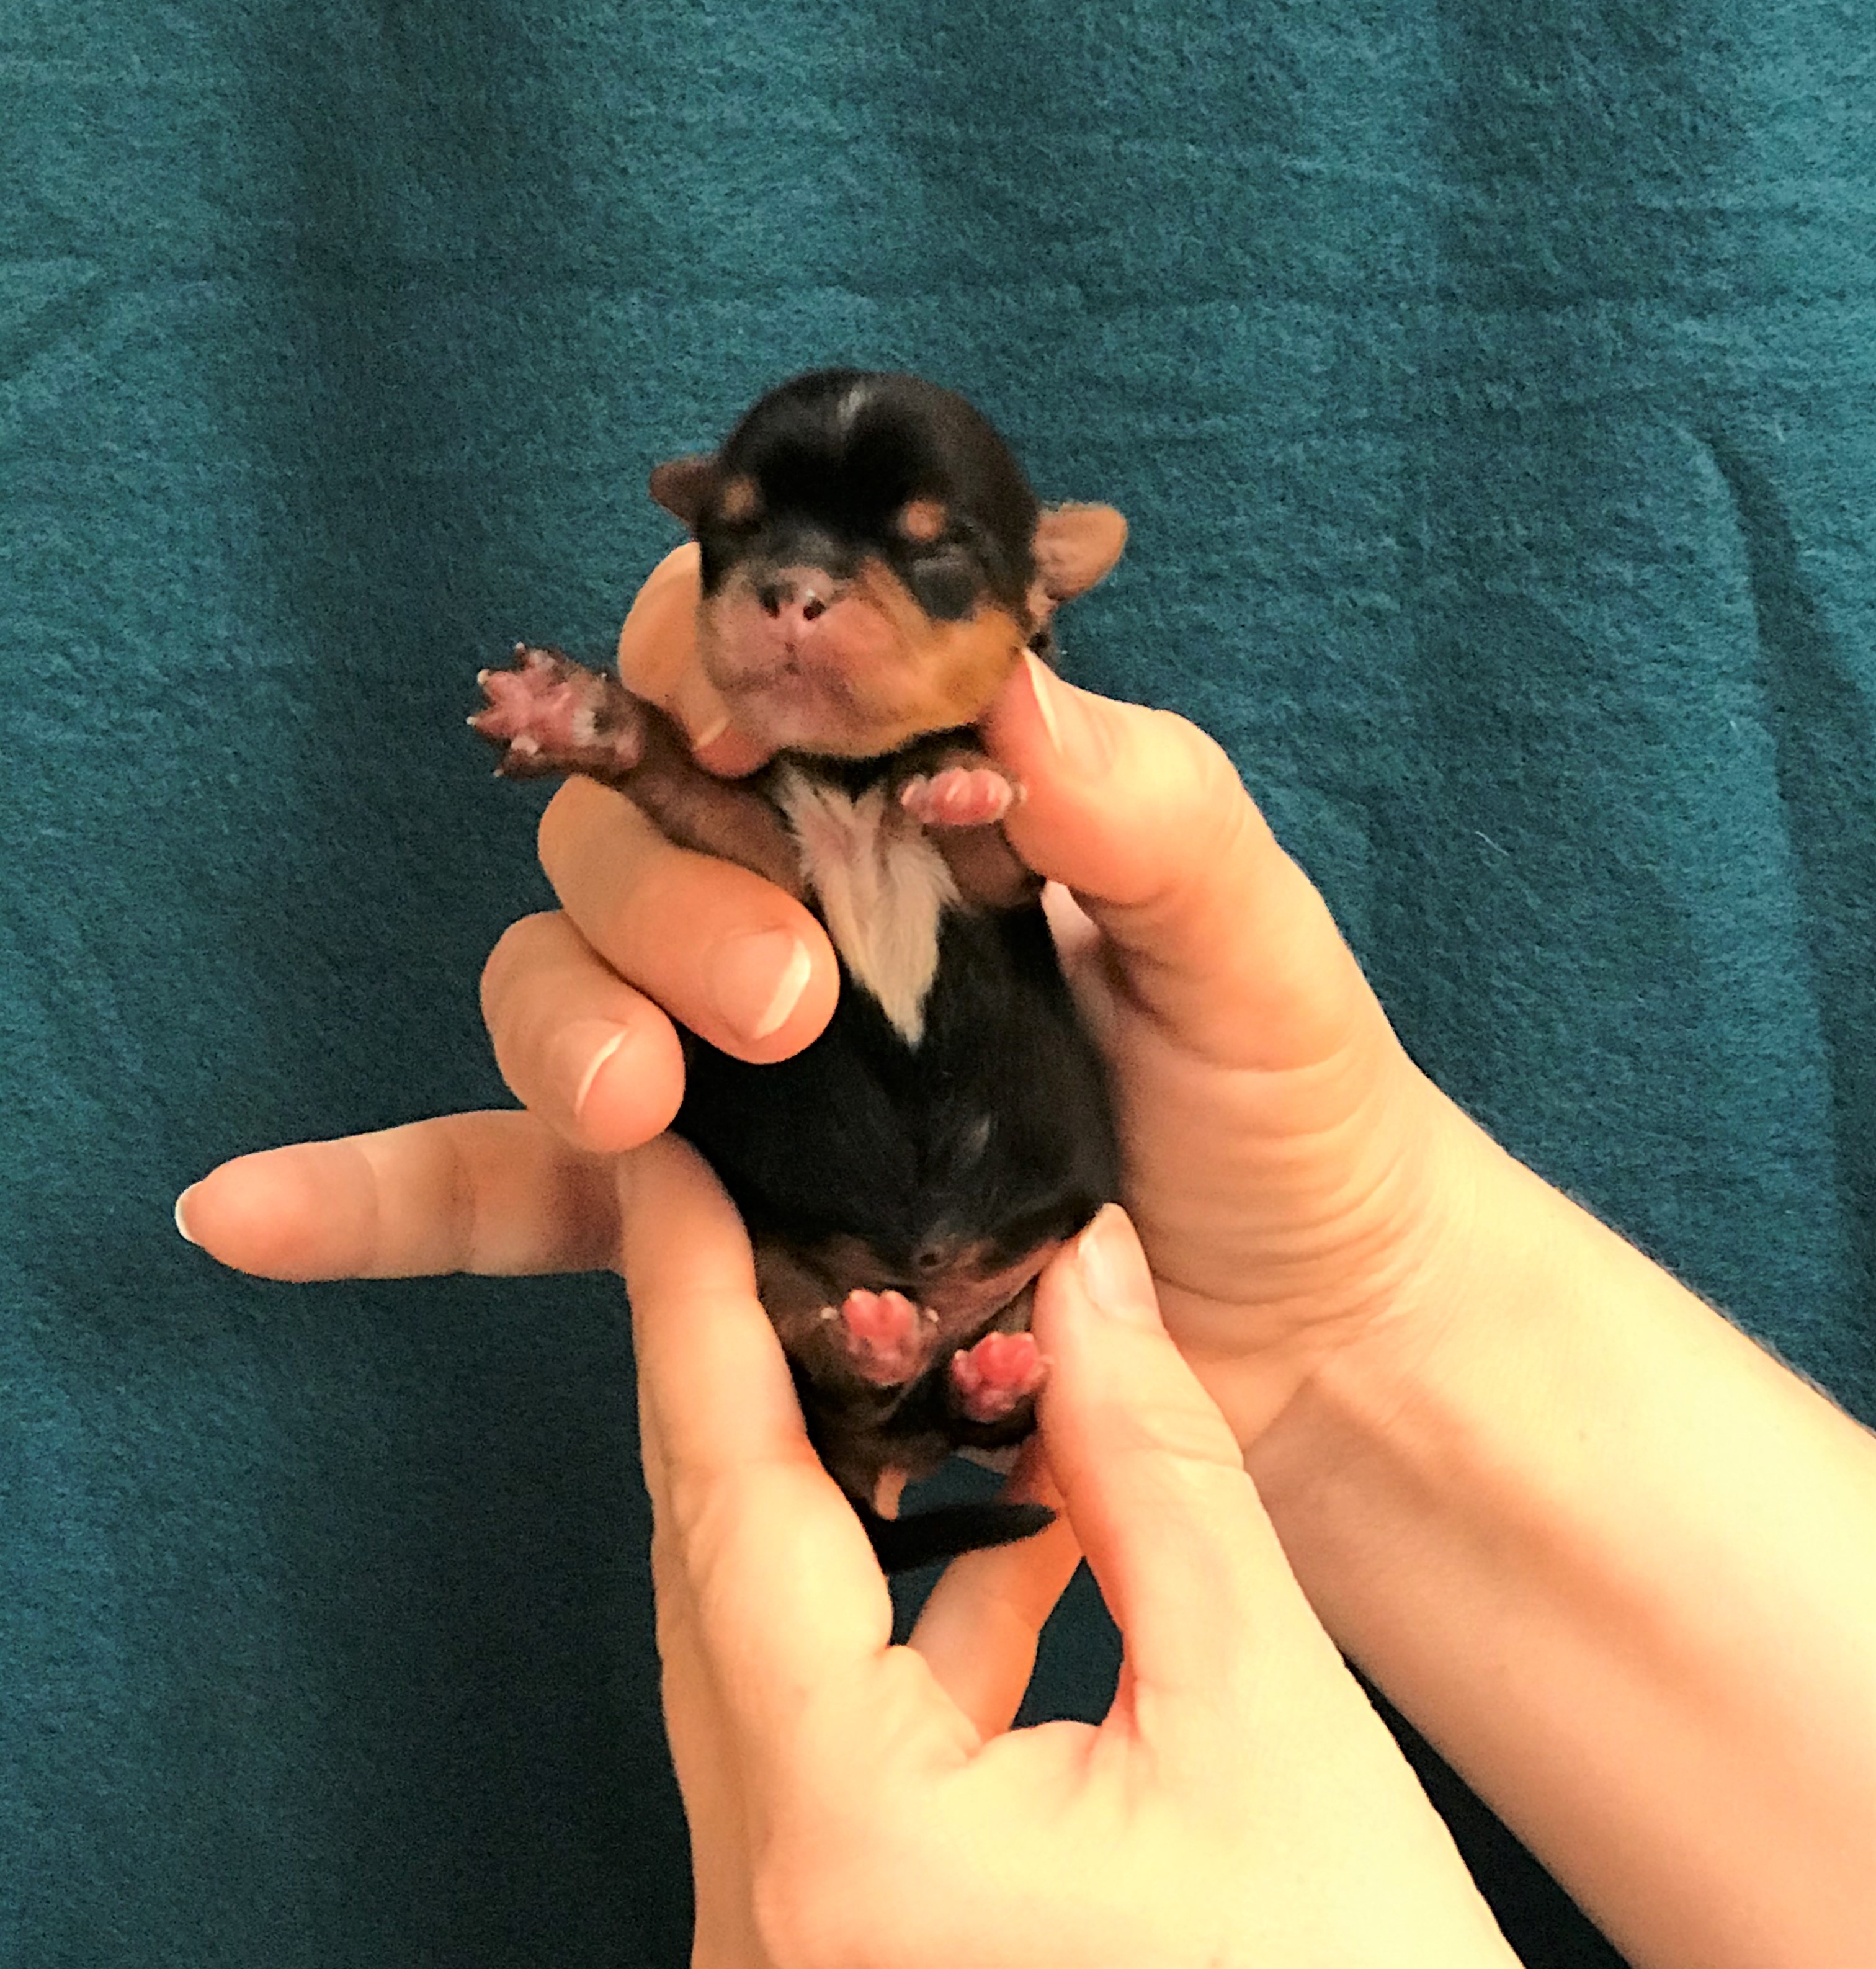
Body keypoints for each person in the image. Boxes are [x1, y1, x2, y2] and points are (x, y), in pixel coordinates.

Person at [177, 549, 1876, 1969]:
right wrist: (1354, 1320)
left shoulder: (962, 808)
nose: (809, 619)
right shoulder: (896, 823)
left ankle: (910, 1363)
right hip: (941, 1236)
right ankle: (901, 1365)